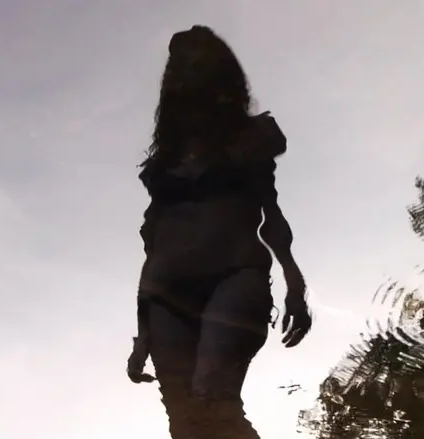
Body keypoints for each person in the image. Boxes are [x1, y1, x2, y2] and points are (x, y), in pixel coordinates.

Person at [125, 25, 312, 439]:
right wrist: (142, 334)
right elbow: (153, 242)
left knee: (213, 400)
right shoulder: (163, 162)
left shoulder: (252, 137)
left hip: (234, 276)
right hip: (165, 295)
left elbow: (272, 215)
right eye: (178, 65)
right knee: (185, 422)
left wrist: (294, 284)